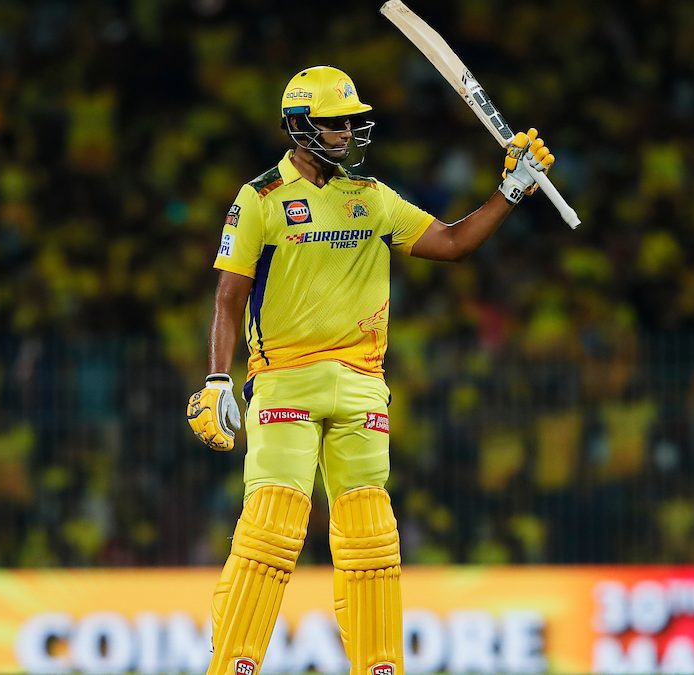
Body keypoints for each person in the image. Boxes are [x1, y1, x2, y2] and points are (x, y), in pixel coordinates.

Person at [185, 65, 554, 675]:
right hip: (284, 382)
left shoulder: (373, 198)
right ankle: (233, 666)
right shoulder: (261, 199)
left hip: (362, 388)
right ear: (300, 126)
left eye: (354, 121)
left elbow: (454, 244)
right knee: (271, 529)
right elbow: (228, 295)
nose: (349, 132)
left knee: (371, 541)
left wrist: (510, 191)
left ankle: (381, 666)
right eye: (336, 123)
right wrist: (219, 379)